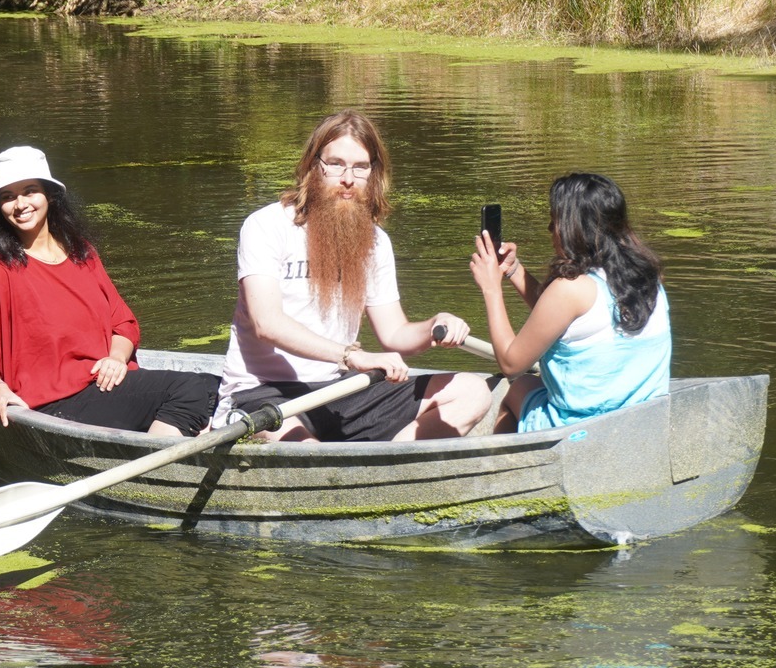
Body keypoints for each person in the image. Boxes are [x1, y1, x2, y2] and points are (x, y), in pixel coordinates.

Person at [216, 111, 496, 442]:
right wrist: (350, 355)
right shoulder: (267, 225)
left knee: (473, 391)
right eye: (335, 164)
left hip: (339, 390)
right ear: (313, 166)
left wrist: (435, 324)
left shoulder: (375, 241)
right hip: (264, 392)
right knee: (305, 454)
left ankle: (387, 470)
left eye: (360, 167)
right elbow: (267, 324)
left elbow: (394, 334)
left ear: (374, 173)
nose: (348, 178)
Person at [0, 146, 220, 436]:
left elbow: (122, 326)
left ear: (49, 195)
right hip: (55, 403)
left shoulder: (81, 253)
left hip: (101, 386)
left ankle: (158, 447)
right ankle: (152, 465)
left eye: (30, 191)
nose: (20, 204)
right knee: (191, 389)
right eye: (8, 196)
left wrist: (116, 358)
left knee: (213, 384)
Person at [468, 172, 670, 433]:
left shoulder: (569, 290)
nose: (550, 230)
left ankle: (501, 470)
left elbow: (510, 364)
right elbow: (563, 318)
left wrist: (491, 288)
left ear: (571, 228)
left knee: (519, 387)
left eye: (554, 222)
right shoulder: (648, 278)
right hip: (641, 422)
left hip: (579, 431)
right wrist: (514, 271)